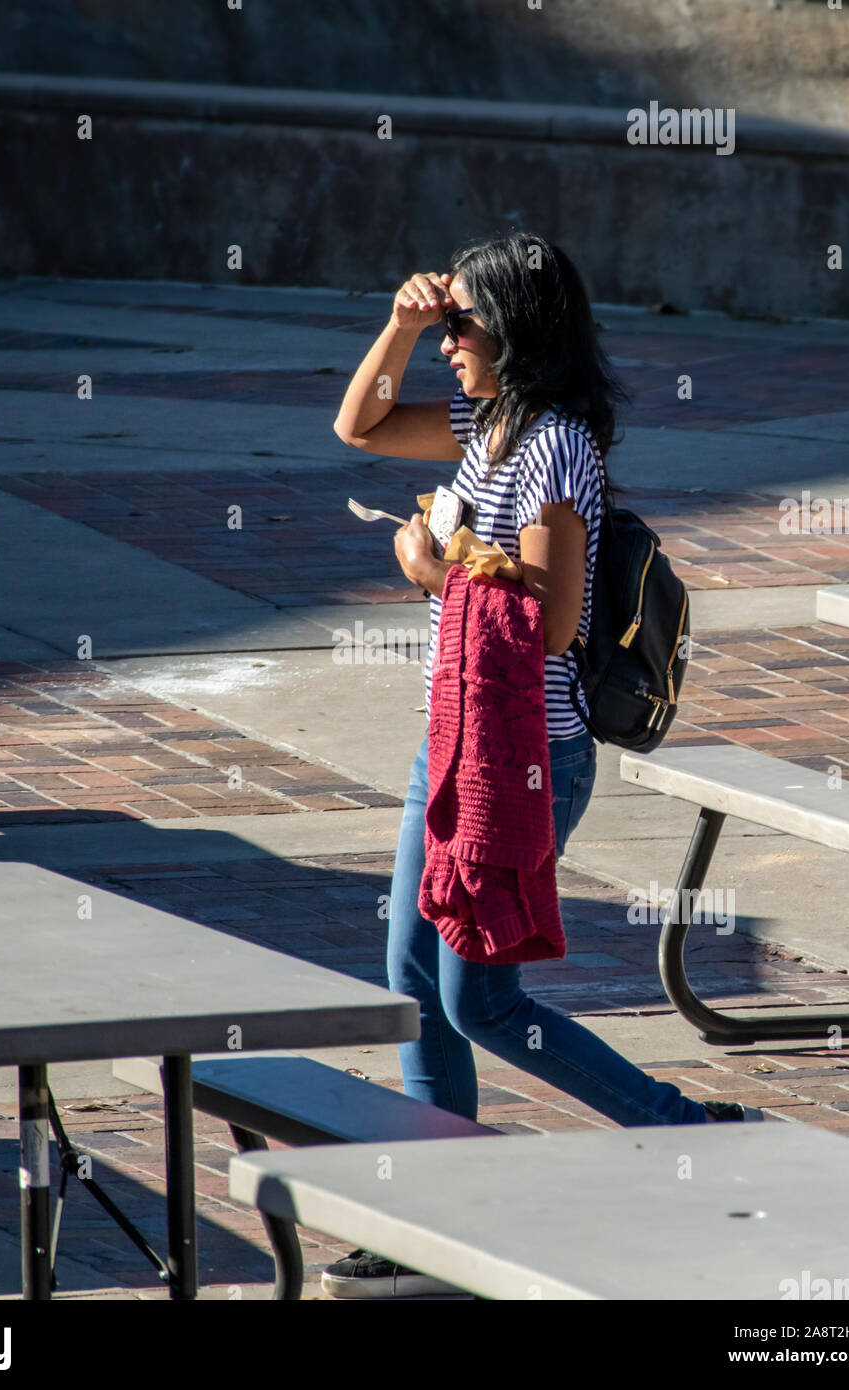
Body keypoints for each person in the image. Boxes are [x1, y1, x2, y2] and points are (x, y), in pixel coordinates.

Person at [326, 232, 761, 1299]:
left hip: (526, 757)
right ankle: (435, 1215)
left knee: (481, 998)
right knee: (414, 983)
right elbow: (360, 424)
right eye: (448, 325)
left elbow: (556, 620)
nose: (449, 347)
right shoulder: (486, 424)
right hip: (457, 740)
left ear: (518, 329)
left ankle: (681, 1128)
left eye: (463, 326)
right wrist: (402, 319)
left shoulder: (556, 446)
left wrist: (435, 572)